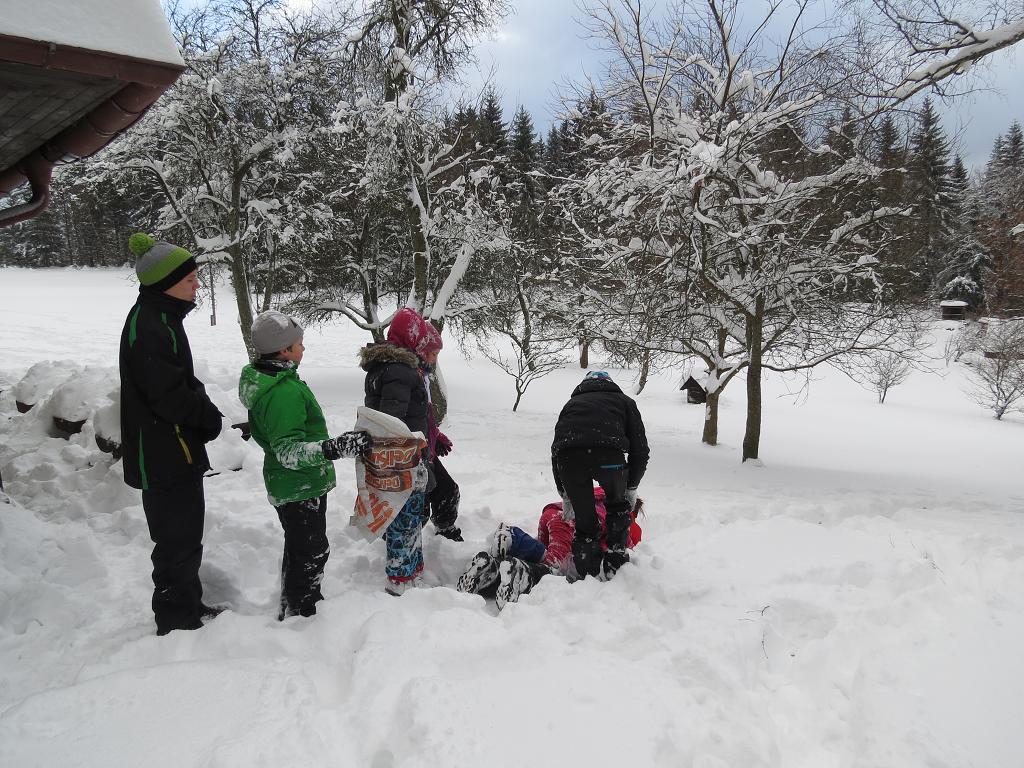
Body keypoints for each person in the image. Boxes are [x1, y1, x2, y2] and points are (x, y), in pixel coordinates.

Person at [119, 232, 224, 636]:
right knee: (176, 539)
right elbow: (168, 396)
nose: (197, 286)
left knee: (185, 534)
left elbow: (180, 380)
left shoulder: (161, 318)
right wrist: (206, 416)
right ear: (166, 283)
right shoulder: (151, 327)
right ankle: (177, 620)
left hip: (174, 448)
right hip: (163, 454)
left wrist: (201, 406)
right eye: (190, 280)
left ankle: (188, 605)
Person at [239, 310, 371, 620]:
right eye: (299, 343)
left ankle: (294, 602)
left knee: (300, 548)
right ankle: (302, 612)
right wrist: (333, 448)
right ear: (284, 350)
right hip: (297, 486)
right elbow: (287, 451)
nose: (303, 348)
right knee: (311, 551)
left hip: (296, 484)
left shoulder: (277, 381)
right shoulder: (281, 393)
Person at [359, 307, 448, 595]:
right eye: (421, 340)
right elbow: (392, 422)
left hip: (404, 457)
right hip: (403, 461)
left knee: (410, 517)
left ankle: (413, 569)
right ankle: (399, 579)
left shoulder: (391, 368)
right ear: (412, 340)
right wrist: (412, 450)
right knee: (404, 519)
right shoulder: (400, 371)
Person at [456, 487, 644, 608]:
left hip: (554, 513)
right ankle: (520, 572)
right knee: (556, 568)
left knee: (543, 552)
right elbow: (616, 544)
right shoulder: (626, 520)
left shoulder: (599, 494)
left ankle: (511, 542)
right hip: (572, 524)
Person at [551, 370, 649, 580]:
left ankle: (587, 575)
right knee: (618, 508)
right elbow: (640, 450)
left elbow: (556, 451)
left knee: (585, 522)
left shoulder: (571, 405)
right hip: (609, 457)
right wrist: (631, 487)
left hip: (570, 460)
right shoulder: (624, 402)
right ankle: (616, 565)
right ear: (609, 383)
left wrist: (564, 493)